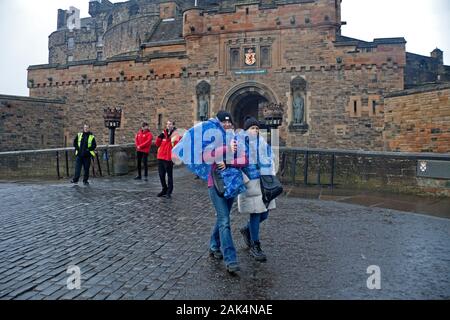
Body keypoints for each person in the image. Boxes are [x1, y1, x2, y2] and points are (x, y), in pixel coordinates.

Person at [204, 111, 248, 274]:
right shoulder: (212, 139)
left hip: (232, 184)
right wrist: (225, 149)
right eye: (224, 122)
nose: (228, 124)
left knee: (223, 218)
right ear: (219, 124)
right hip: (215, 184)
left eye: (230, 122)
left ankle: (214, 245)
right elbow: (206, 156)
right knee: (224, 220)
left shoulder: (237, 139)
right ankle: (231, 259)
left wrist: (230, 162)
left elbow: (245, 159)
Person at [238, 117, 276, 262]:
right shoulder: (241, 143)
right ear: (246, 130)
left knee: (264, 214)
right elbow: (237, 163)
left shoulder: (262, 142)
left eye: (256, 128)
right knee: (255, 213)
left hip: (264, 181)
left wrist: (270, 172)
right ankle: (255, 245)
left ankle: (247, 230)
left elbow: (270, 157)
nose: (255, 130)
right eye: (252, 128)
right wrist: (245, 180)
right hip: (251, 182)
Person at [155, 120, 180, 199]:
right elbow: (157, 144)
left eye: (170, 124)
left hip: (169, 158)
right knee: (161, 175)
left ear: (173, 125)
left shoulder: (175, 134)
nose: (168, 125)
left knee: (169, 176)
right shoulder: (163, 134)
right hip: (161, 157)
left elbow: (177, 146)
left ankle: (169, 191)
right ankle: (164, 189)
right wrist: (160, 136)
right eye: (167, 124)